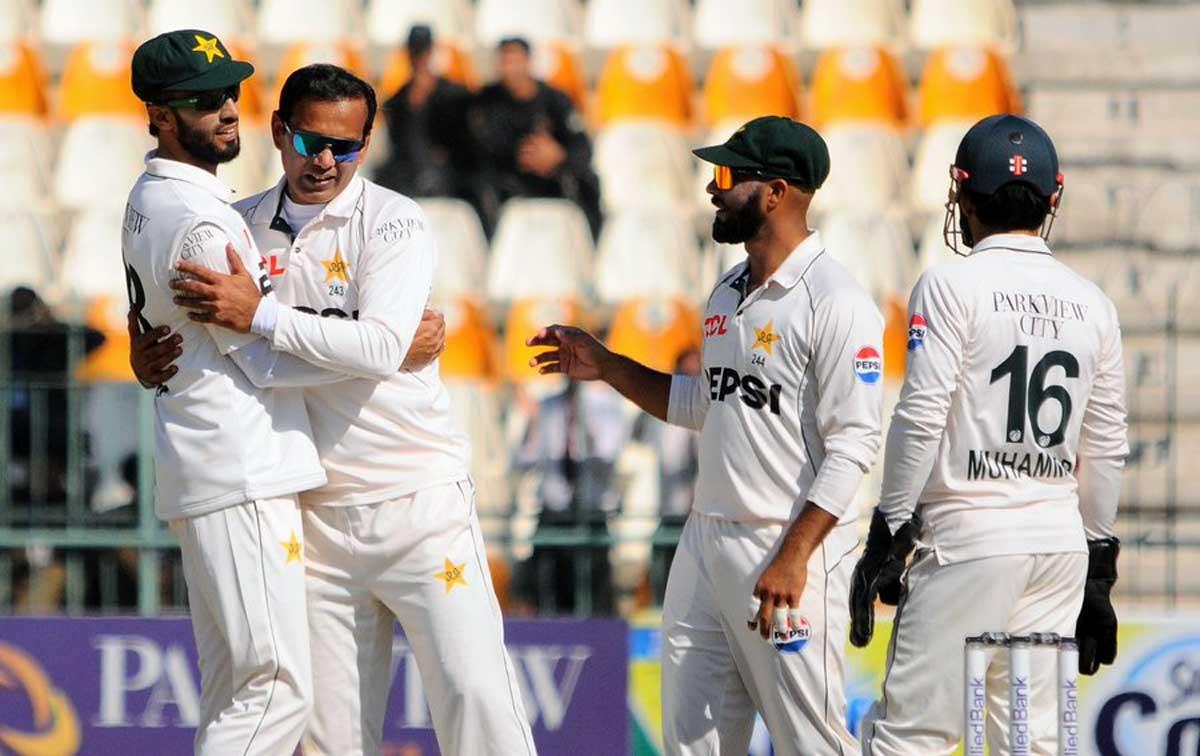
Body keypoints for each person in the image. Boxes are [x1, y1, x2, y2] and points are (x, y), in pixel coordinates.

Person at [134, 63, 534, 756]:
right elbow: (197, 326)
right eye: (310, 142)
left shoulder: (395, 222)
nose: (325, 162)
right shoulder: (237, 224)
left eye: (346, 147)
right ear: (278, 130)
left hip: (419, 504)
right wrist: (147, 346)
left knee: (477, 702)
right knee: (329, 739)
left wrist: (262, 317)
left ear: (369, 141)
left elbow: (380, 347)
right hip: (314, 516)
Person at [527, 116, 881, 755]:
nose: (712, 190)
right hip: (705, 540)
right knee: (692, 743)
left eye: (726, 176)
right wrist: (607, 365)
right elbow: (704, 405)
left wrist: (795, 555)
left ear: (774, 192)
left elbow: (855, 442)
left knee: (813, 744)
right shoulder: (727, 290)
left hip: (784, 546)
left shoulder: (836, 300)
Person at [851, 114, 1127, 755]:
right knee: (1030, 747)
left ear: (961, 193)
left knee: (909, 740)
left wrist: (890, 527)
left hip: (969, 543)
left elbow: (920, 414)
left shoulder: (951, 285)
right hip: (1058, 550)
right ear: (1052, 196)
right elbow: (1106, 445)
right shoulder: (1093, 303)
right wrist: (1099, 566)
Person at [123, 30, 331, 755]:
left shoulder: (151, 197)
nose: (226, 109)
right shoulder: (199, 219)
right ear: (157, 112)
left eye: (231, 91)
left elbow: (153, 318)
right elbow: (264, 358)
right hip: (241, 468)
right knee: (275, 687)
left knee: (234, 691)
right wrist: (383, 351)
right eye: (202, 99)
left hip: (207, 462)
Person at [469, 36, 601, 237]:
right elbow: (483, 144)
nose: (511, 69)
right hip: (509, 179)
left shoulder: (556, 100)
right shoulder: (487, 101)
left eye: (516, 61)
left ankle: (591, 243)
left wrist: (559, 155)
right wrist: (526, 153)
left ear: (528, 62)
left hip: (553, 179)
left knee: (587, 181)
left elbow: (582, 146)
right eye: (505, 62)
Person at [376, 25, 476, 208]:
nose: (419, 57)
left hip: (448, 172)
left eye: (423, 51)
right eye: (415, 51)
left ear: (431, 52)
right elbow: (397, 146)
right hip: (408, 174)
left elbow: (464, 142)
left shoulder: (456, 96)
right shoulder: (396, 102)